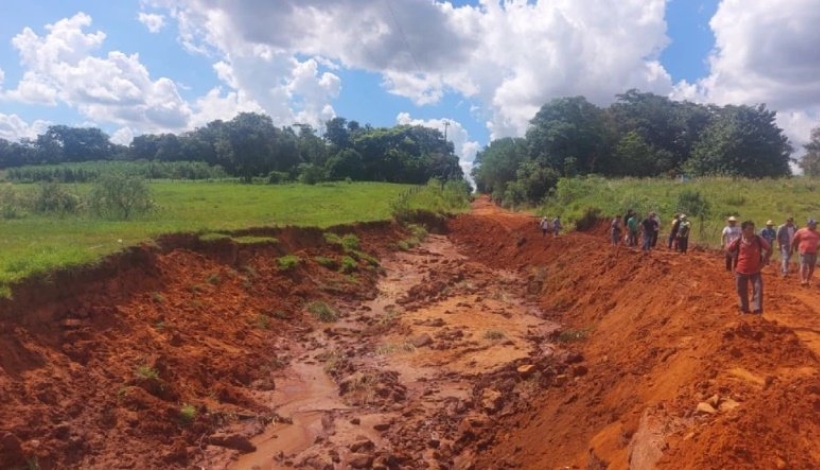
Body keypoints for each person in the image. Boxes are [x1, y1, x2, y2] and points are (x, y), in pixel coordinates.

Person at [727, 220, 770, 314]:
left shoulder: (758, 239)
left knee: (758, 289)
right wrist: (734, 256)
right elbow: (728, 248)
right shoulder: (738, 240)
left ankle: (757, 309)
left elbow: (769, 249)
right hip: (741, 270)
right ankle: (744, 309)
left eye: (752, 229)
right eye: (749, 229)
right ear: (743, 230)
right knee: (741, 290)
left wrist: (763, 262)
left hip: (755, 270)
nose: (751, 231)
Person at [791, 218, 820, 287]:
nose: (815, 226)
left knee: (812, 267)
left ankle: (808, 280)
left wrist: (818, 247)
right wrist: (791, 248)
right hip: (804, 251)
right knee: (803, 265)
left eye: (815, 224)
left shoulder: (817, 233)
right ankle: (803, 280)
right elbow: (794, 240)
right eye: (814, 224)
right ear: (809, 224)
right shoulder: (801, 231)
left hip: (813, 252)